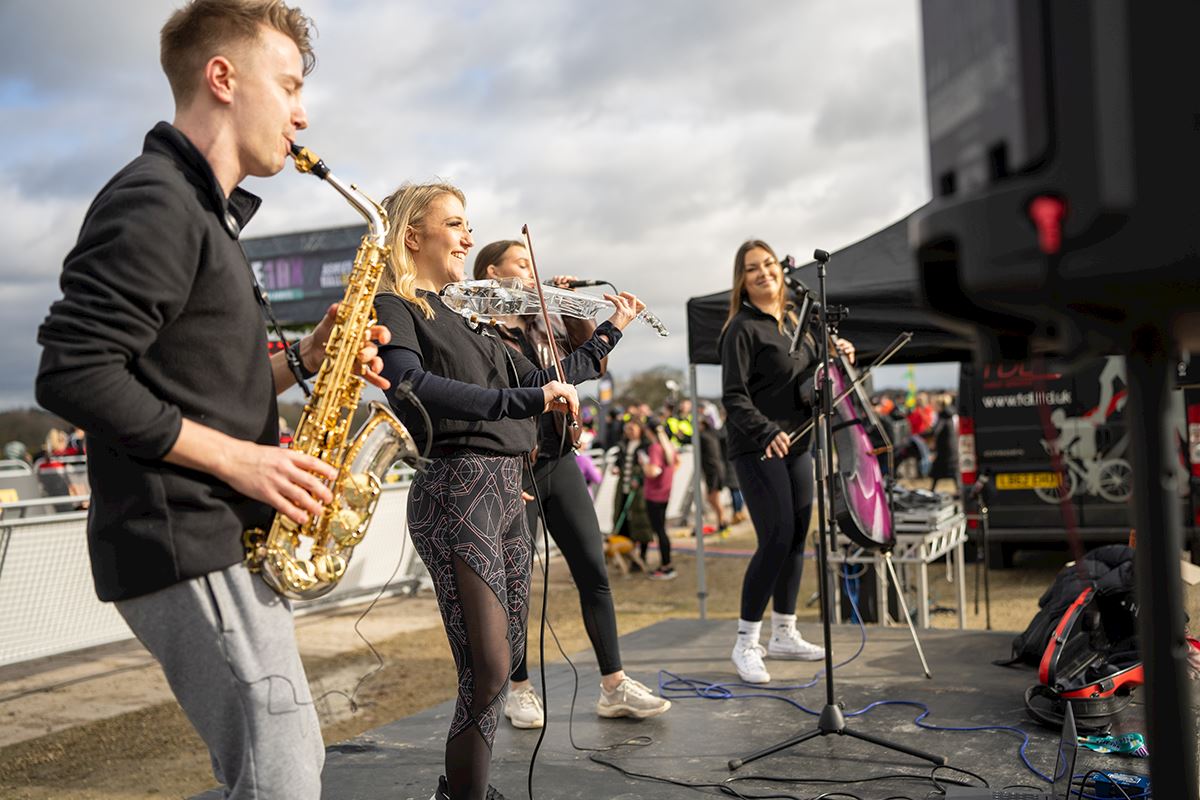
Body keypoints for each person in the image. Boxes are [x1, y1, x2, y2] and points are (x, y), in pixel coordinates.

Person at [34, 3, 390, 797]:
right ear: (222, 78)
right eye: (290, 85)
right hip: (186, 536)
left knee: (278, 770)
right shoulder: (157, 199)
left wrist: (307, 359)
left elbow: (194, 383)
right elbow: (73, 370)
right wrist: (245, 461)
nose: (303, 114)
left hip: (218, 538)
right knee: (282, 776)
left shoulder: (202, 213)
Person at [373, 186, 645, 800]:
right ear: (413, 235)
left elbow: (554, 377)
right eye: (456, 225)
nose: (468, 239)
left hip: (504, 489)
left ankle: (469, 790)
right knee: (490, 668)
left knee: (502, 661)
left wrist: (597, 328)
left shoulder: (465, 319)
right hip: (457, 488)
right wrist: (520, 403)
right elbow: (412, 383)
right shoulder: (395, 305)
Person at [471, 238, 671, 732]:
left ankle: (614, 685)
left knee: (593, 569)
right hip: (514, 467)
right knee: (514, 584)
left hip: (559, 460)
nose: (531, 271)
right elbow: (541, 381)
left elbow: (587, 366)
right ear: (492, 273)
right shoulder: (484, 329)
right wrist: (614, 328)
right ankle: (517, 688)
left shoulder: (545, 321)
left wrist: (578, 318)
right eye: (521, 263)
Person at [719, 239, 855, 684]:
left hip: (799, 442)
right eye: (752, 268)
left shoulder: (798, 321)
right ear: (743, 279)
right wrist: (767, 431)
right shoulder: (742, 328)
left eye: (769, 264)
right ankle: (745, 641)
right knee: (775, 537)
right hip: (758, 444)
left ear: (780, 269)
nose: (763, 273)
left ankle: (784, 632)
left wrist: (839, 358)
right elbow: (734, 396)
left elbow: (812, 378)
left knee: (798, 537)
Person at [640, 417, 678, 579]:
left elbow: (654, 471)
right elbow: (677, 463)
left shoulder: (655, 448)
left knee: (660, 531)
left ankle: (666, 567)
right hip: (664, 493)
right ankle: (667, 565)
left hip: (654, 495)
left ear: (649, 431)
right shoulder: (668, 446)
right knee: (663, 530)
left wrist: (643, 464)